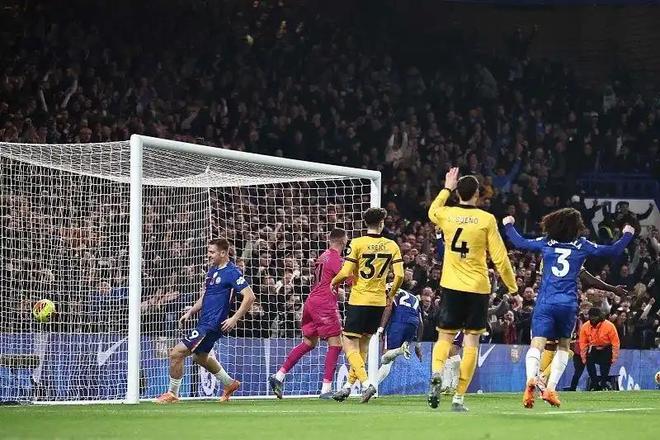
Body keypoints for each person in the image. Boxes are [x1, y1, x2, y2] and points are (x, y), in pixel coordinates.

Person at [503, 209, 633, 408]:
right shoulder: (582, 245)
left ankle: (531, 379)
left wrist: (508, 224)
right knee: (564, 346)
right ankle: (550, 388)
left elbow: (519, 242)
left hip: (546, 302)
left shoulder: (546, 243)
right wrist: (627, 234)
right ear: (576, 227)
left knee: (537, 344)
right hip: (568, 304)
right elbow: (613, 251)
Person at [427, 167, 518, 412]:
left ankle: (437, 372)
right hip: (477, 288)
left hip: (451, 285)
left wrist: (446, 187)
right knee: (471, 343)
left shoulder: (446, 214)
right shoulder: (486, 220)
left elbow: (432, 210)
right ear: (477, 194)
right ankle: (458, 398)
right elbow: (500, 258)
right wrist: (512, 288)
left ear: (458, 193)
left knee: (445, 337)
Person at [156, 238, 256, 403]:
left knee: (176, 353)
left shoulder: (232, 272)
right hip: (205, 321)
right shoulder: (212, 271)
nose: (208, 255)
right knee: (200, 357)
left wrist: (234, 318)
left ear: (223, 253)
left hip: (212, 324)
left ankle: (172, 394)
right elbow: (206, 296)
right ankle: (229, 383)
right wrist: (191, 311)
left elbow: (250, 296)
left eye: (212, 252)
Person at [331, 207, 404, 403]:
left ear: (366, 223)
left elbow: (346, 272)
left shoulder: (357, 243)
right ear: (381, 224)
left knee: (348, 342)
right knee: (362, 345)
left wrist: (333, 282)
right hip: (378, 302)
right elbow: (399, 276)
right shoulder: (392, 245)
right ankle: (347, 387)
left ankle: (366, 383)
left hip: (359, 299)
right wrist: (391, 294)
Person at [268, 228, 348, 399]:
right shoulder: (335, 258)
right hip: (324, 304)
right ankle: (326, 390)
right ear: (344, 240)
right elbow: (348, 279)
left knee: (309, 343)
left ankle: (278, 376)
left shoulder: (323, 256)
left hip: (311, 301)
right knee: (336, 344)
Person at [375, 286, 423, 385]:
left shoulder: (389, 288)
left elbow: (388, 308)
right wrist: (418, 344)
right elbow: (421, 322)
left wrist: (381, 328)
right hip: (413, 324)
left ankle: (399, 351)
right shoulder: (414, 298)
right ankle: (373, 386)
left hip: (399, 320)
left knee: (385, 358)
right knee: (389, 360)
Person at [580, 307, 621, 390]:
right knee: (589, 363)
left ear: (600, 316)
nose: (593, 318)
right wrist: (583, 357)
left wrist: (614, 357)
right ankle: (595, 385)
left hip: (606, 348)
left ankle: (603, 384)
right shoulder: (585, 327)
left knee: (604, 368)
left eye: (595, 316)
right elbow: (583, 343)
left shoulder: (609, 326)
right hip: (593, 348)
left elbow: (615, 343)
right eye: (591, 316)